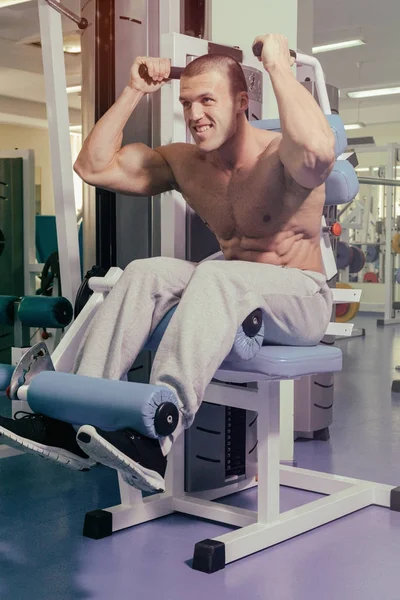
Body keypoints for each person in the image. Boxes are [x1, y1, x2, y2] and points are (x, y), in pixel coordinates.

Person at [0, 34, 335, 493]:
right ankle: (71, 418)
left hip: (300, 296)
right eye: (187, 103)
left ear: (241, 102)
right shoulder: (186, 163)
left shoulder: (284, 155)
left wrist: (277, 64)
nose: (195, 115)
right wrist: (133, 91)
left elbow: (319, 150)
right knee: (145, 272)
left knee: (218, 275)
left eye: (207, 101)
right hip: (235, 282)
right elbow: (93, 167)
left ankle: (154, 433)